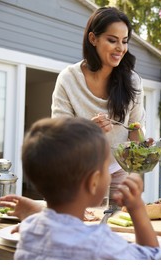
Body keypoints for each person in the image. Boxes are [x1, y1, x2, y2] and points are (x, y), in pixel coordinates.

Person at [8, 117, 161, 260]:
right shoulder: (100, 245)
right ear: (93, 182)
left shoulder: (28, 230)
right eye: (106, 166)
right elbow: (152, 260)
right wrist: (137, 208)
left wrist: (36, 212)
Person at [51, 7, 145, 185]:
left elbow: (135, 130)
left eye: (125, 41)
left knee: (119, 214)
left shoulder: (132, 81)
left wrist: (142, 144)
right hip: (78, 172)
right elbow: (58, 137)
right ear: (93, 38)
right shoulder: (68, 79)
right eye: (112, 40)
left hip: (119, 171)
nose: (120, 48)